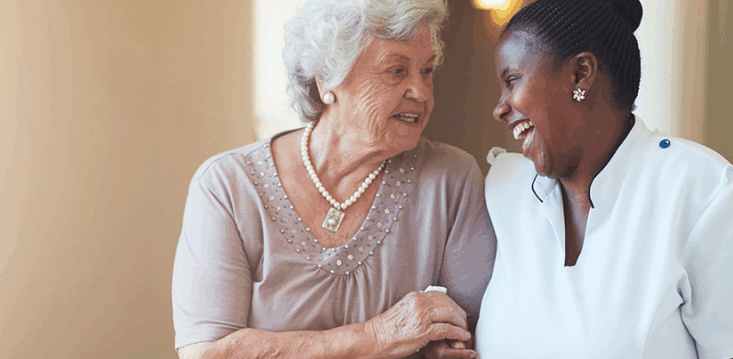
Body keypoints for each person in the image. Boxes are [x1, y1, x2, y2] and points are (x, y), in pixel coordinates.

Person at [171, 0, 495, 358]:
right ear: (328, 78)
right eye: (396, 71)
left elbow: (468, 336)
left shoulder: (452, 179)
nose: (421, 91)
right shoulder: (229, 186)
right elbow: (207, 352)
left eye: (427, 71)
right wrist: (378, 337)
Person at [474, 0, 733, 358]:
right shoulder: (503, 191)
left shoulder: (707, 197)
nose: (500, 108)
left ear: (581, 74)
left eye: (512, 80)